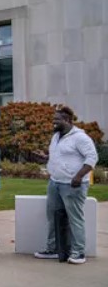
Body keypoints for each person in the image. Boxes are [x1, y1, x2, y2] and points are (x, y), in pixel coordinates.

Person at [32, 106, 98, 264]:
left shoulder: (80, 137)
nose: (53, 122)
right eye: (53, 120)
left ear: (67, 120)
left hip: (73, 185)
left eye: (57, 120)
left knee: (75, 219)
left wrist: (79, 176)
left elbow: (92, 158)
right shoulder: (56, 136)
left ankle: (79, 252)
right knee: (52, 217)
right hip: (54, 182)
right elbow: (59, 155)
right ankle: (53, 249)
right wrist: (45, 157)